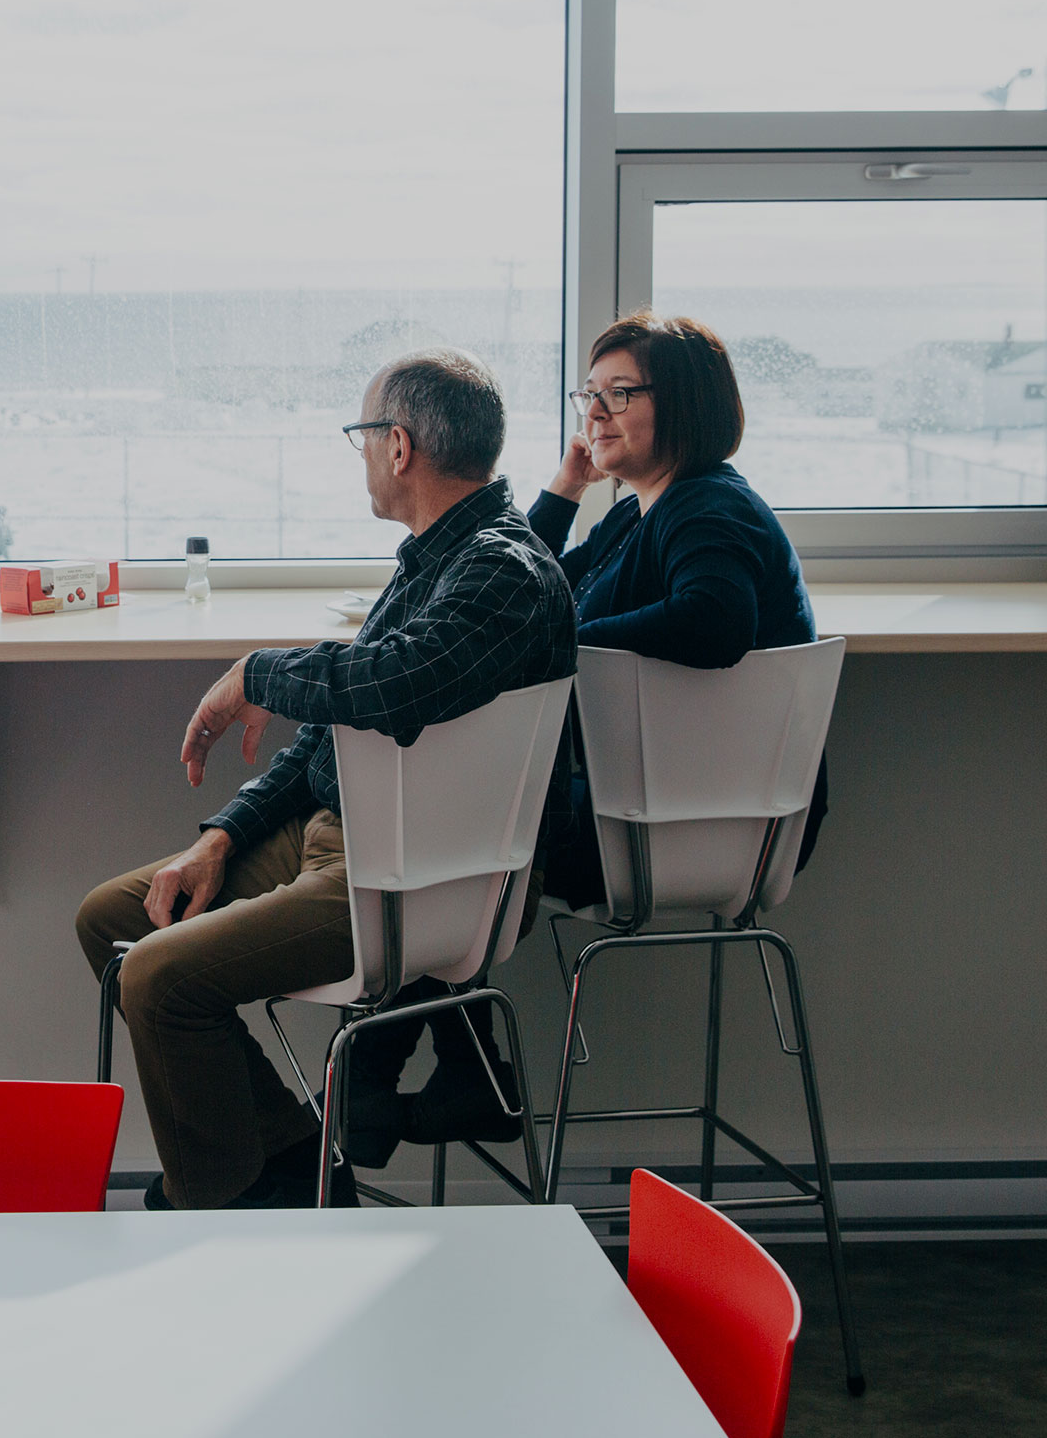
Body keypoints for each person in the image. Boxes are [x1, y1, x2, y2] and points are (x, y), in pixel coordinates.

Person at [73, 349, 576, 1210]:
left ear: (399, 446)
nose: (362, 456)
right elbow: (325, 746)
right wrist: (222, 837)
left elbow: (399, 685)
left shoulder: (504, 570)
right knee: (115, 918)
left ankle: (223, 1206)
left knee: (160, 978)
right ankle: (289, 1168)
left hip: (418, 874)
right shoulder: (433, 560)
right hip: (345, 844)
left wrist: (257, 674)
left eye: (362, 435)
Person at [344, 310, 830, 1168]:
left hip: (690, 825)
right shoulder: (648, 510)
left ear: (679, 406)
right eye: (589, 395)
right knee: (450, 839)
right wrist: (566, 491)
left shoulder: (707, 508)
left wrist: (569, 643)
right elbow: (533, 585)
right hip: (651, 804)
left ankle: (380, 1095)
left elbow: (715, 621)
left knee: (447, 841)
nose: (595, 412)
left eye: (621, 394)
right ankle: (431, 1084)